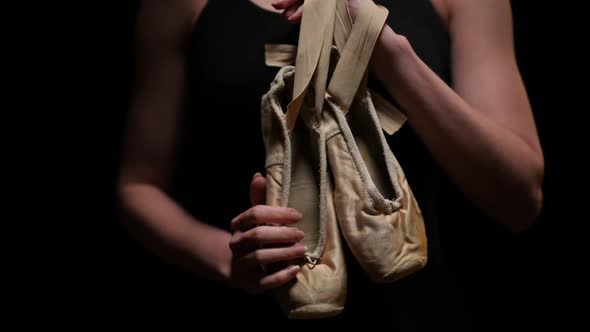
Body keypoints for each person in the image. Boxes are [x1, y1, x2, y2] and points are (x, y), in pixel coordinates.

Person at [117, 0, 544, 329]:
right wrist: (225, 259)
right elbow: (139, 186)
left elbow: (519, 199)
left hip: (420, 314)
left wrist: (388, 53)